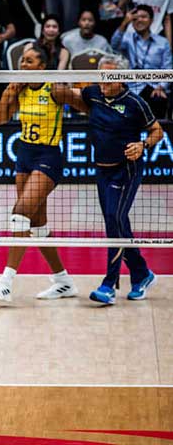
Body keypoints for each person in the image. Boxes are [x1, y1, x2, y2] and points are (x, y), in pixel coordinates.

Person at [0, 45, 85, 303]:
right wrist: (9, 92)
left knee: (20, 213)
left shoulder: (55, 89)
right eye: (21, 61)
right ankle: (63, 281)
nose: (23, 65)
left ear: (42, 66)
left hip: (47, 157)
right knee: (37, 226)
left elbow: (87, 107)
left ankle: (5, 282)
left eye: (29, 61)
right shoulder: (20, 89)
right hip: (24, 157)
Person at [81, 54, 164, 305]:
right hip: (102, 169)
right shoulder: (93, 93)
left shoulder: (134, 103)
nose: (103, 81)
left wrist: (143, 145)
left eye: (110, 76)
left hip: (126, 169)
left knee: (114, 220)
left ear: (122, 78)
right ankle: (141, 274)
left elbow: (157, 130)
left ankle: (109, 284)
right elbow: (73, 94)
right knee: (116, 221)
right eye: (101, 75)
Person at [111, 4, 172, 121]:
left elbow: (168, 68)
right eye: (135, 18)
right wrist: (124, 23)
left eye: (143, 17)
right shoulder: (127, 39)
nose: (139, 20)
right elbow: (114, 45)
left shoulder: (162, 42)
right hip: (131, 88)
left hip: (154, 88)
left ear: (152, 20)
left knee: (159, 100)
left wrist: (161, 87)